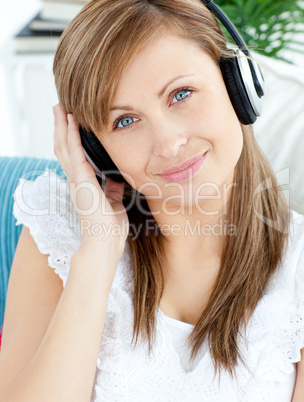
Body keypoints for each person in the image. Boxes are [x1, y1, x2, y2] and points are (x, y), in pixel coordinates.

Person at [0, 0, 304, 400]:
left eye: (181, 93)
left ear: (238, 83)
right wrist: (98, 252)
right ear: (96, 150)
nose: (167, 144)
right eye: (124, 121)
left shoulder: (297, 262)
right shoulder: (58, 230)